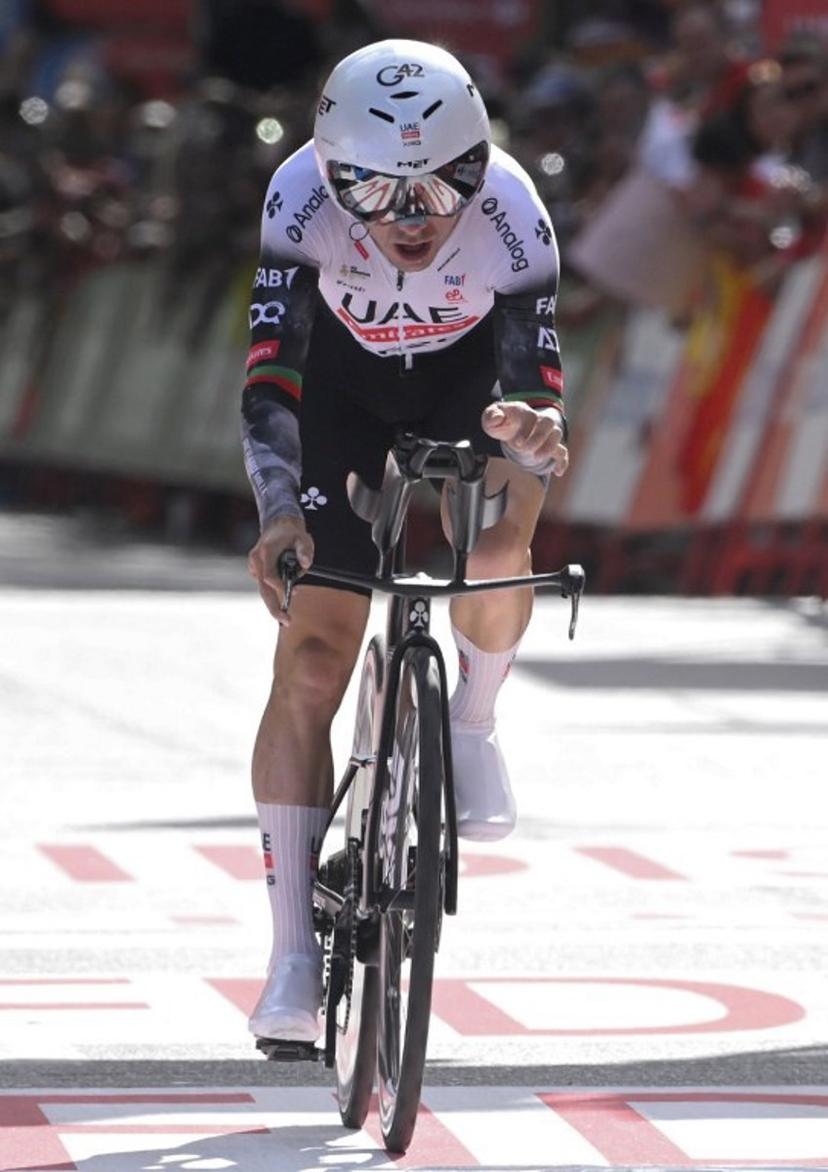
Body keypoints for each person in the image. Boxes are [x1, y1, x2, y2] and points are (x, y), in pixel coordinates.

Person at [242, 39, 569, 1044]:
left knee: (506, 530)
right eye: (375, 189)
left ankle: (470, 719)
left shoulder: (514, 212)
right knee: (313, 654)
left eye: (441, 183)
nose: (413, 215)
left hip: (471, 380)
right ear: (331, 172)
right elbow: (271, 382)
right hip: (340, 389)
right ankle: (292, 951)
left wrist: (533, 431)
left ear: (479, 162)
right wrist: (279, 511)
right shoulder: (296, 200)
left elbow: (531, 384)